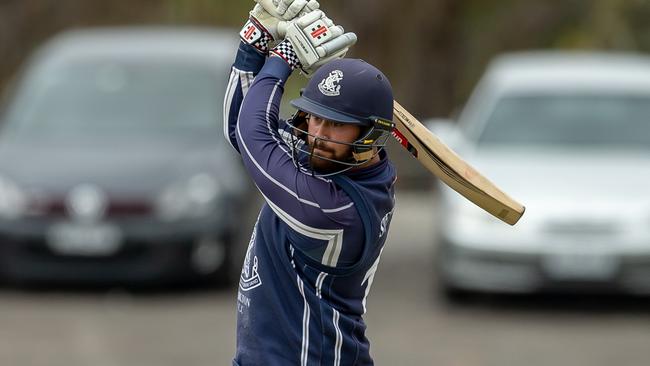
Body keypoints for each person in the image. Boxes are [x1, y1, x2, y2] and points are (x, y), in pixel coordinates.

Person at [224, 1, 397, 364]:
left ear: (370, 135)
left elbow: (253, 135)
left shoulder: (335, 213)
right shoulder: (329, 159)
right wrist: (256, 37)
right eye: (315, 117)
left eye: (335, 124)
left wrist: (282, 58)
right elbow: (242, 125)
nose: (318, 133)